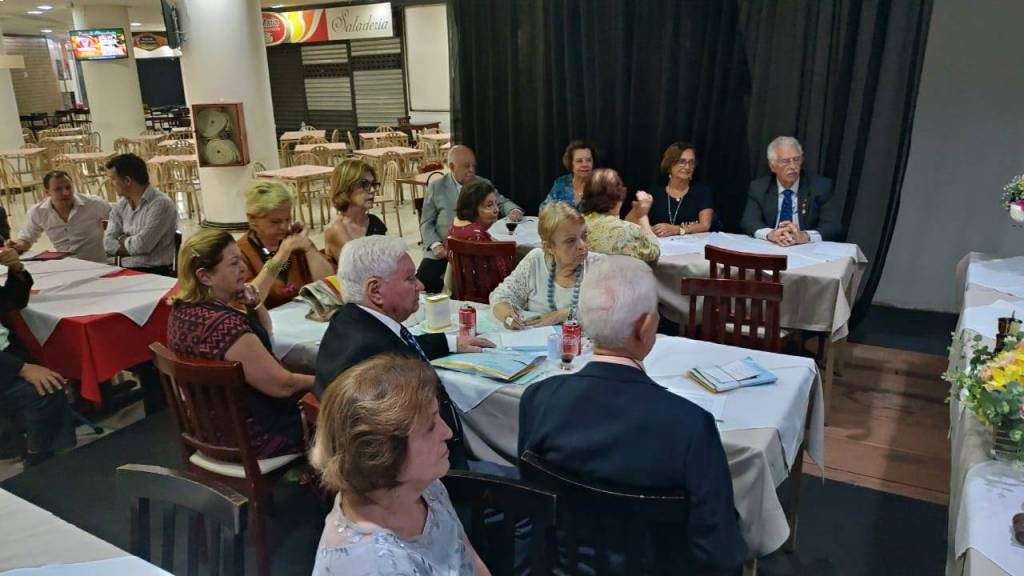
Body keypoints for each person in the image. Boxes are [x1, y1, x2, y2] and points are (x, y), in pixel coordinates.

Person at [518, 256, 748, 574]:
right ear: (645, 326)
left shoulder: (538, 399)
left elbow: (535, 507)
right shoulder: (690, 426)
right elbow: (719, 552)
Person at [314, 236, 494, 468]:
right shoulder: (373, 358)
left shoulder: (350, 320)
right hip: (432, 474)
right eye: (410, 279)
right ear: (375, 291)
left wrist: (450, 342)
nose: (421, 286)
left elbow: (399, 342)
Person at [311, 355, 491, 576]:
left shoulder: (421, 486)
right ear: (382, 454)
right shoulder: (376, 566)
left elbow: (467, 557)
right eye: (430, 427)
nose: (447, 432)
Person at [167, 229, 312, 459]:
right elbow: (283, 386)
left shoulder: (181, 312)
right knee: (338, 410)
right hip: (251, 437)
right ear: (205, 276)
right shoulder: (226, 327)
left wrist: (254, 305)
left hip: (207, 427)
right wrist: (327, 380)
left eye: (241, 260)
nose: (243, 268)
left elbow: (265, 334)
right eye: (234, 263)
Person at [0, 247, 75, 465]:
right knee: (43, 390)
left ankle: (49, 451)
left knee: (53, 367)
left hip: (7, 352)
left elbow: (13, 301)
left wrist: (16, 270)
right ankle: (39, 462)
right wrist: (22, 368)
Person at [418, 145, 524, 294]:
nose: (472, 170)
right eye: (466, 166)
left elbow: (501, 201)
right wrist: (435, 245)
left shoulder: (482, 184)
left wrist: (513, 210)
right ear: (452, 167)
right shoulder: (436, 187)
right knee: (424, 281)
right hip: (442, 249)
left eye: (474, 166)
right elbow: (426, 223)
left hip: (477, 247)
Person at [489, 202, 603, 329]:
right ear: (549, 247)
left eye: (584, 236)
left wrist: (562, 315)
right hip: (537, 339)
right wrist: (508, 316)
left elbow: (609, 313)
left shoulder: (599, 265)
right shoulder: (535, 260)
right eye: (571, 241)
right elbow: (500, 296)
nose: (582, 245)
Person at [238, 180, 333, 309]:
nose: (284, 226)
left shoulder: (294, 239)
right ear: (252, 219)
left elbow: (328, 282)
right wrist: (281, 256)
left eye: (287, 219)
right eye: (275, 222)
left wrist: (308, 248)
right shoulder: (240, 252)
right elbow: (249, 300)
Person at [740, 136, 842, 245]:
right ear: (772, 166)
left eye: (796, 160)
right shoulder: (759, 187)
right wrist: (771, 234)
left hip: (806, 248)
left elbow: (832, 226)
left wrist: (805, 236)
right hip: (772, 246)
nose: (793, 166)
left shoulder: (820, 186)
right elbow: (749, 221)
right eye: (785, 161)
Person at [6, 170, 112, 263]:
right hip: (65, 265)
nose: (65, 193)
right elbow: (27, 239)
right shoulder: (38, 212)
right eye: (58, 189)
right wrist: (18, 245)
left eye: (68, 187)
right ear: (47, 192)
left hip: (97, 264)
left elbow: (119, 217)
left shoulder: (93, 204)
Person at [102, 153, 178, 275]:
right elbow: (107, 243)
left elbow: (142, 246)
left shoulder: (161, 204)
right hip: (124, 267)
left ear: (127, 181)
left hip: (155, 272)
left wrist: (122, 238)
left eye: (113, 179)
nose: (111, 184)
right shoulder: (122, 204)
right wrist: (131, 246)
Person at [579, 168, 660, 262]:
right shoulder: (627, 230)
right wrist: (643, 216)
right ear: (617, 196)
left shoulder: (577, 225)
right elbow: (654, 252)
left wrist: (636, 214)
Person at [323, 158, 387, 266]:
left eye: (373, 184)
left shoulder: (374, 222)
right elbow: (362, 268)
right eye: (364, 184)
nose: (373, 190)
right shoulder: (335, 228)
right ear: (345, 188)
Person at [445, 177, 511, 280]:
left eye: (496, 204)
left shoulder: (453, 229)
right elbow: (501, 274)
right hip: (492, 289)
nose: (496, 210)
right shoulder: (477, 237)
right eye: (489, 205)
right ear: (472, 209)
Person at [650, 142, 714, 236]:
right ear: (669, 165)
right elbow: (633, 221)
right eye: (682, 162)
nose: (687, 167)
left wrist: (678, 230)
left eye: (691, 162)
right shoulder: (654, 193)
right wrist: (651, 229)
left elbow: (705, 225)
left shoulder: (702, 192)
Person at [538, 140, 595, 212]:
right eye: (579, 161)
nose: (585, 164)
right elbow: (543, 209)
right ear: (571, 164)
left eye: (589, 160)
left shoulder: (600, 184)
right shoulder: (561, 183)